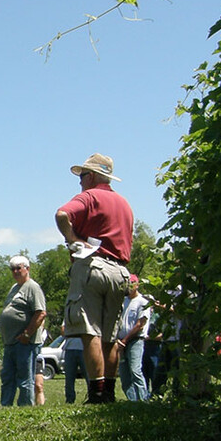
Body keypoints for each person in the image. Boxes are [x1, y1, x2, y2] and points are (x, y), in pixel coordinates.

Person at [55, 153, 134, 404]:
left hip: (93, 266)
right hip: (121, 272)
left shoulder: (89, 196)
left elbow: (61, 215)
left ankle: (96, 394)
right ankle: (109, 393)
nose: (79, 181)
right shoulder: (124, 204)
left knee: (91, 333)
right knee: (111, 337)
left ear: (91, 176)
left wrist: (73, 240)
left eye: (82, 175)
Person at [0, 255, 47, 407]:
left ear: (27, 268)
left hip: (25, 342)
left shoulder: (32, 287)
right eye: (12, 269)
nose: (15, 272)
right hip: (10, 342)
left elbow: (40, 312)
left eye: (18, 268)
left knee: (25, 378)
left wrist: (27, 334)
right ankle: (6, 406)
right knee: (7, 377)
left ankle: (25, 407)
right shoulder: (14, 288)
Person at [117, 274, 151, 402]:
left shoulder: (143, 301)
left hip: (135, 341)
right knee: (124, 374)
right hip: (120, 342)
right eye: (127, 284)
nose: (129, 287)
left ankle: (143, 400)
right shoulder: (123, 301)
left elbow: (140, 324)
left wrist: (125, 340)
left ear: (137, 285)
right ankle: (132, 401)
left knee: (135, 370)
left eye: (132, 283)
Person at [62, 333, 86, 403]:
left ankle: (92, 396)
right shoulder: (67, 321)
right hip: (69, 349)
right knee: (69, 377)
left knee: (88, 376)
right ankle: (69, 399)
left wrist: (72, 333)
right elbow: (63, 332)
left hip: (84, 348)